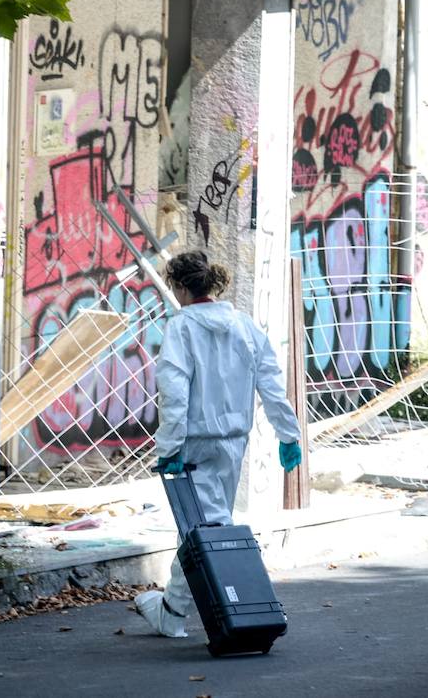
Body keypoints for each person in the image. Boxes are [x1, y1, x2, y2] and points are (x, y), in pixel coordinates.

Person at [133, 251, 303, 639]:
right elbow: (273, 386)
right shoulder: (244, 326)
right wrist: (288, 434)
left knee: (206, 530)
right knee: (202, 528)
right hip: (233, 443)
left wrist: (169, 448)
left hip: (193, 445)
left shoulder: (182, 327)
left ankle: (225, 608)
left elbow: (174, 393)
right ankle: (172, 611)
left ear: (178, 287)